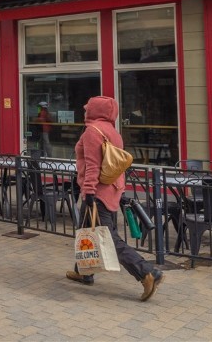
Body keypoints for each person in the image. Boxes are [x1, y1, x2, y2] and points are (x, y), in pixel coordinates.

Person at [66, 95, 163, 302]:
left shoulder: (92, 132)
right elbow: (116, 164)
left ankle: (147, 272)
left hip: (97, 193)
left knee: (108, 239)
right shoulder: (112, 131)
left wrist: (89, 192)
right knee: (86, 230)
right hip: (111, 190)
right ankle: (84, 272)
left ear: (95, 111)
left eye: (88, 109)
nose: (85, 111)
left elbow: (92, 166)